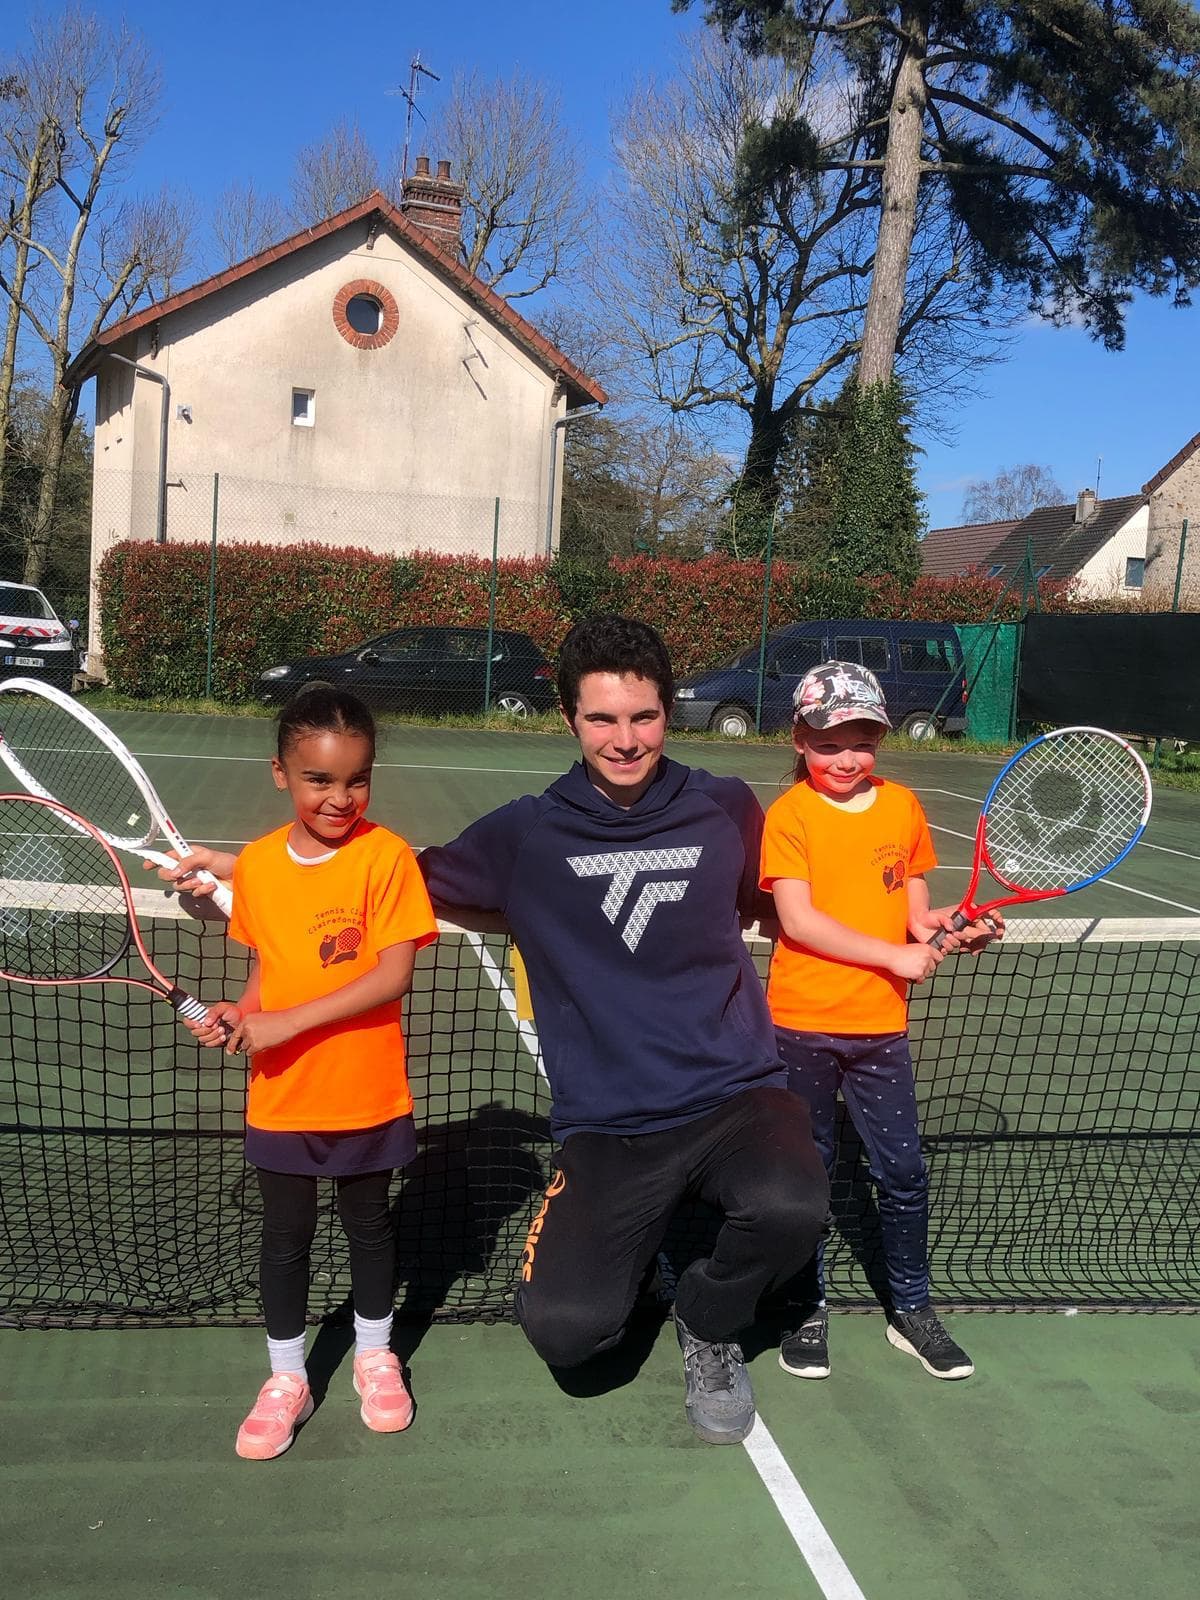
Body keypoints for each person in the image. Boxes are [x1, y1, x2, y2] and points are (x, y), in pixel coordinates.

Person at [417, 615, 829, 1445]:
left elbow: (780, 904)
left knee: (794, 1206)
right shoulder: (524, 834)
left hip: (735, 1095)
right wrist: (248, 869)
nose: (625, 739)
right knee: (568, 1335)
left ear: (669, 712)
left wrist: (910, 936)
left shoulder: (725, 807)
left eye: (642, 717)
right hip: (607, 1125)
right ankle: (626, 1260)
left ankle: (709, 1321)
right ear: (569, 718)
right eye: (602, 718)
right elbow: (399, 880)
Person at [181, 683, 439, 1459]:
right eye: (319, 780)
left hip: (366, 1092)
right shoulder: (256, 866)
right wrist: (241, 1012)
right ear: (280, 775)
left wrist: (282, 1022)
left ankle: (373, 1355)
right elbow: (271, 974)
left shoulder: (385, 857)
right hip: (283, 1095)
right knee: (286, 1237)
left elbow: (391, 975)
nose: (340, 797)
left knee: (368, 1227)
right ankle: (287, 1377)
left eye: (357, 779)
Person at [760, 660, 1000, 1383]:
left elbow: (912, 911)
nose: (847, 757)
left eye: (863, 739)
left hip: (880, 1034)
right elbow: (797, 921)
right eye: (830, 741)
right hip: (800, 1025)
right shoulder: (789, 817)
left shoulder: (902, 808)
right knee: (812, 1175)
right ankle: (804, 1304)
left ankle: (912, 1309)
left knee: (902, 1171)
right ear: (801, 739)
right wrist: (893, 958)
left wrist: (948, 927)